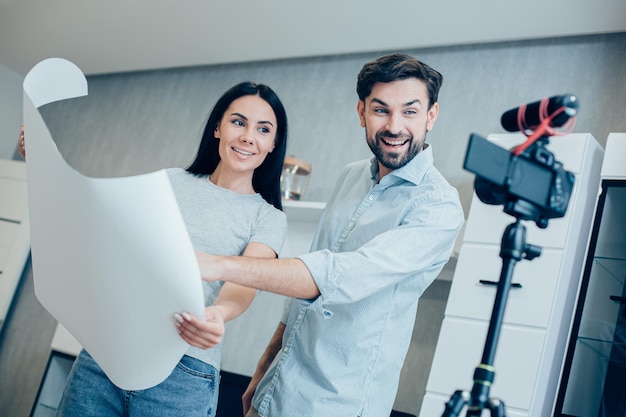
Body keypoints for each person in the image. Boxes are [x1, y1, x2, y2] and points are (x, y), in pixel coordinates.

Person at [190, 53, 465, 417]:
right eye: (381, 110)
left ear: (431, 115)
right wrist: (265, 369)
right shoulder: (351, 176)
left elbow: (332, 276)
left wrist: (217, 265)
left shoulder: (439, 207)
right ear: (361, 112)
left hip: (338, 404)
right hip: (278, 390)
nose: (394, 126)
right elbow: (301, 300)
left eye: (410, 111)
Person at [18, 81, 289, 417]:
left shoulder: (268, 217)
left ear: (273, 143)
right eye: (238, 122)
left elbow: (245, 280)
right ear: (218, 127)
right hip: (108, 353)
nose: (249, 136)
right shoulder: (170, 181)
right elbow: (104, 227)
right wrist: (43, 164)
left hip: (184, 372)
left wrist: (218, 314)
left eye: (263, 129)